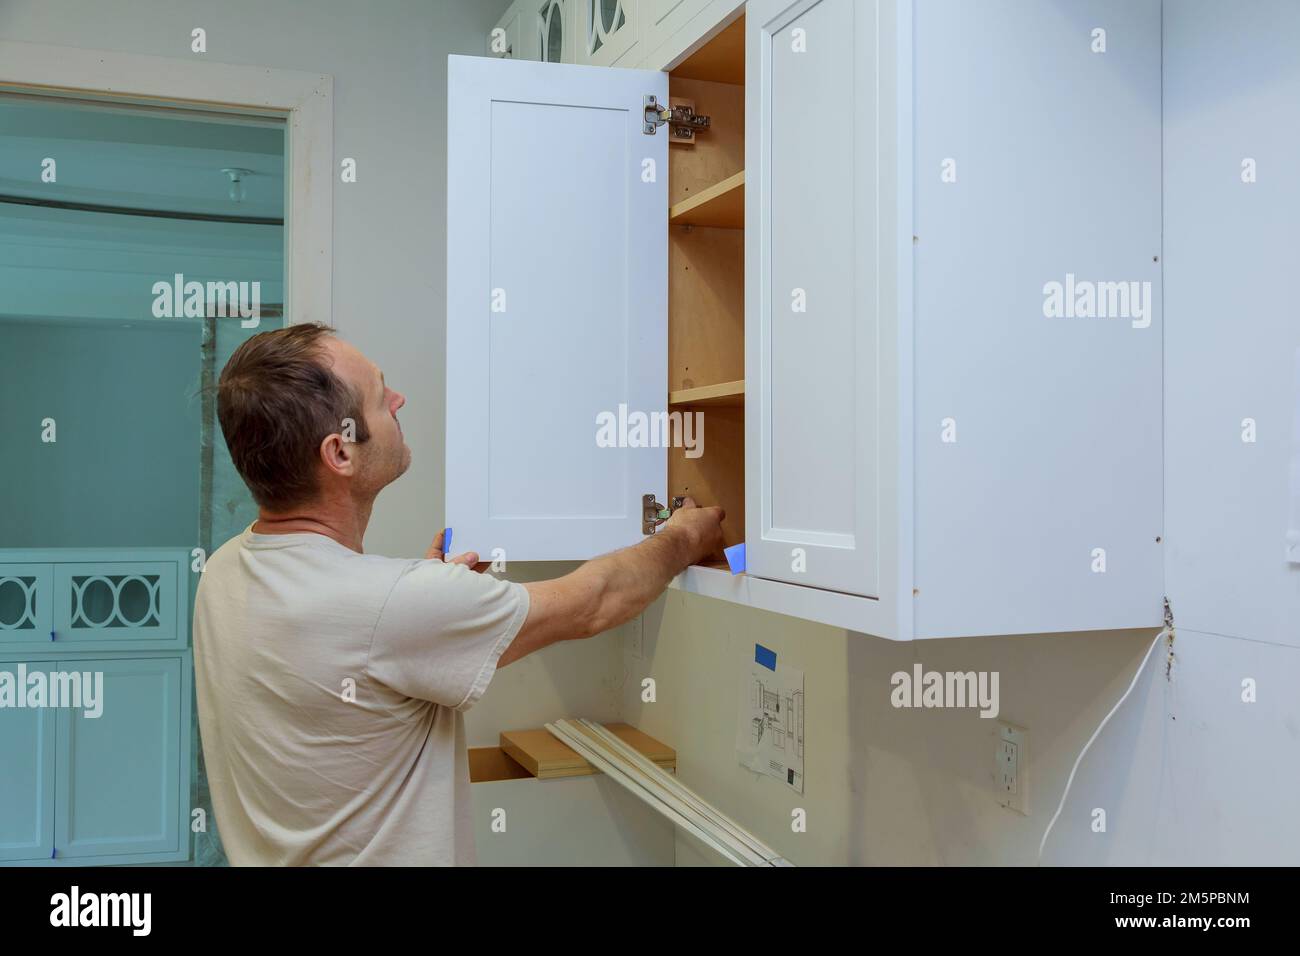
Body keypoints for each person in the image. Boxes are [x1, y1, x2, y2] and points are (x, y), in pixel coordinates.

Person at [193, 322, 724, 865]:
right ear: (341, 453)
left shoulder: (223, 573)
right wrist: (684, 535)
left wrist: (427, 606)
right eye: (381, 396)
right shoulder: (394, 606)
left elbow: (343, 674)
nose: (399, 400)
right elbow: (595, 603)